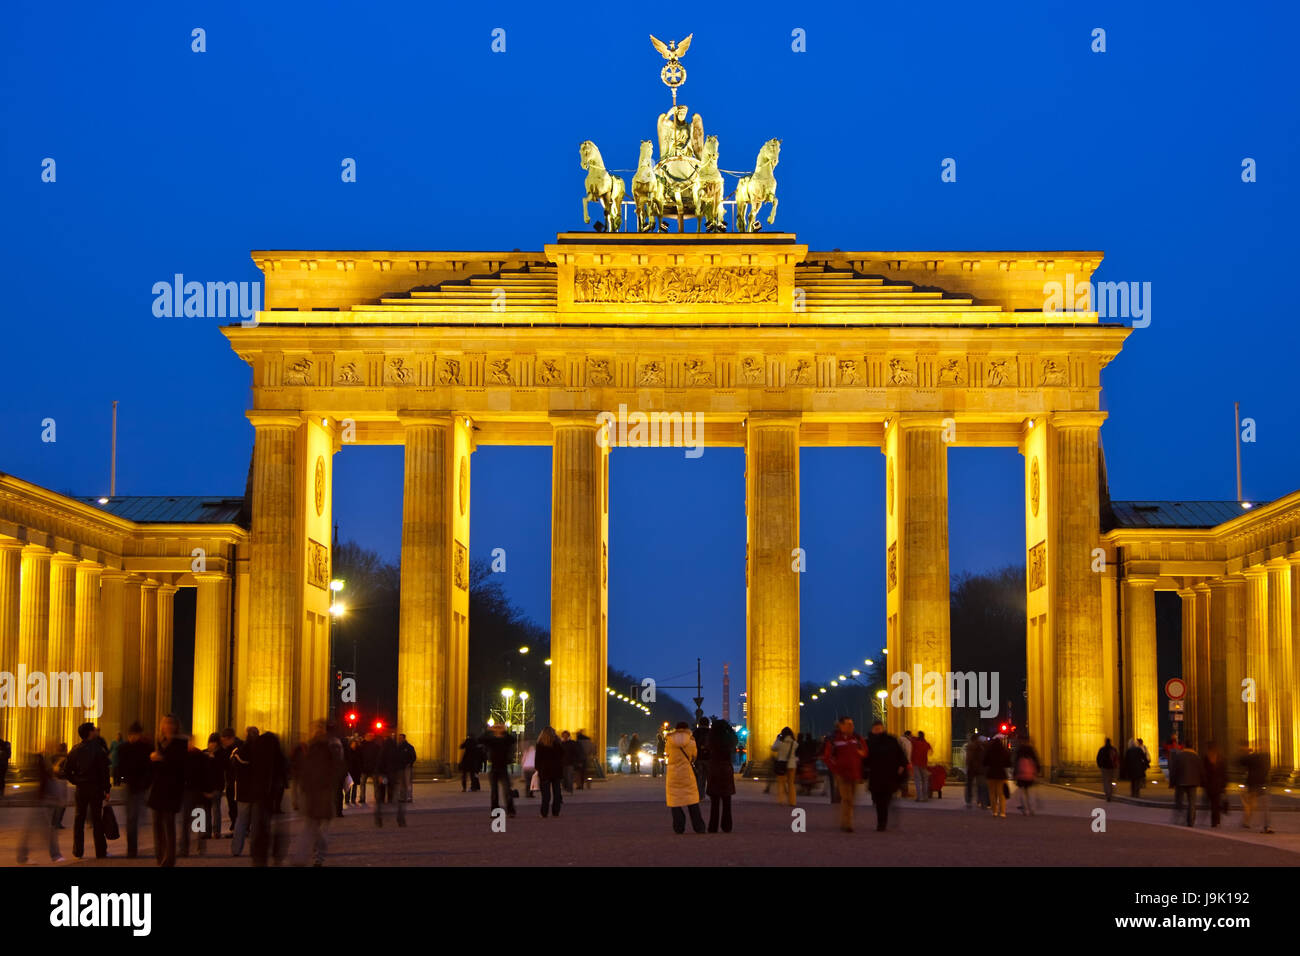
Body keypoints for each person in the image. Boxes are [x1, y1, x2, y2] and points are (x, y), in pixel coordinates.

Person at [293, 720, 344, 866]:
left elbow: (338, 768)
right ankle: (309, 857)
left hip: (324, 793)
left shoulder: (332, 746)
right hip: (312, 792)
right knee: (313, 827)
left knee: (317, 828)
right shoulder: (311, 745)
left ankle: (314, 856)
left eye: (318, 728)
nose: (314, 730)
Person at [65, 722, 111, 859]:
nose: (96, 731)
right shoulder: (99, 749)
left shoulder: (75, 749)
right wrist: (106, 789)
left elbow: (67, 770)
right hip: (95, 789)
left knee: (79, 819)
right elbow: (105, 772)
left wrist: (76, 780)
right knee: (97, 820)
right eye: (94, 730)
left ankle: (78, 850)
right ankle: (100, 851)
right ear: (90, 733)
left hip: (81, 789)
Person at [148, 715, 187, 866]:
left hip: (172, 790)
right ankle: (160, 856)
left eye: (170, 723)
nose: (167, 726)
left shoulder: (180, 744)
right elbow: (154, 770)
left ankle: (169, 859)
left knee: (168, 825)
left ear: (175, 726)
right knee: (157, 825)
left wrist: (160, 760)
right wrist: (153, 760)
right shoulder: (160, 743)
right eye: (164, 723)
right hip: (158, 789)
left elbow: (179, 767)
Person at [17, 750, 64, 864]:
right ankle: (56, 855)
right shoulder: (41, 762)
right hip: (40, 801)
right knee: (48, 830)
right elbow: (45, 781)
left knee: (33, 830)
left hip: (39, 800)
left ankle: (22, 856)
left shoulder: (42, 762)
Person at [823, 717, 867, 832]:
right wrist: (836, 768)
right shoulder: (834, 740)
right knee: (846, 798)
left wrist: (860, 754)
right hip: (841, 774)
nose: (851, 726)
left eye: (852, 724)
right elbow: (827, 757)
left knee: (851, 799)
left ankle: (846, 821)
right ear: (841, 726)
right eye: (848, 724)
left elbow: (865, 751)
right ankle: (847, 824)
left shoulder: (857, 738)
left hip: (854, 772)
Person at [864, 720, 908, 831]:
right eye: (876, 729)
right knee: (878, 801)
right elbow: (865, 759)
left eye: (879, 728)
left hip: (889, 775)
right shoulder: (868, 742)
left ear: (883, 728)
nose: (878, 730)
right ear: (872, 730)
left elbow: (901, 754)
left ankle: (882, 823)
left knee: (885, 800)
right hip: (876, 776)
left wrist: (902, 765)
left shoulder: (891, 740)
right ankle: (881, 821)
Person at [119, 723, 154, 856]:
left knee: (132, 817)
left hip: (133, 785)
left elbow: (120, 767)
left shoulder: (124, 748)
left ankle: (132, 847)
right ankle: (132, 847)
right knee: (134, 817)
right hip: (136, 785)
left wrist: (122, 779)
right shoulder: (146, 748)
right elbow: (149, 768)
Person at [664, 721, 705, 833]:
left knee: (675, 801)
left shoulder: (669, 741)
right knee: (692, 800)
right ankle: (699, 827)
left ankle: (679, 827)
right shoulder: (691, 741)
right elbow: (694, 756)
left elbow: (667, 754)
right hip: (687, 772)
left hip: (673, 774)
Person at [228, 727, 258, 856]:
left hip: (242, 790)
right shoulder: (260, 751)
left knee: (241, 821)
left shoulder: (239, 751)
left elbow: (232, 766)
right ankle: (255, 850)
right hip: (257, 791)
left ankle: (236, 849)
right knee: (256, 822)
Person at [706, 719, 738, 832]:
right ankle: (727, 826)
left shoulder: (711, 738)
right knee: (726, 800)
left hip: (714, 768)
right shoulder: (728, 739)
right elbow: (735, 740)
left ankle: (712, 826)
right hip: (725, 769)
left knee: (714, 802)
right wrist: (730, 730)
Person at [481, 723, 517, 817]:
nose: (498, 729)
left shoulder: (506, 739)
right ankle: (495, 812)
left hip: (503, 768)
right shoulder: (491, 740)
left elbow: (513, 740)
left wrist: (505, 731)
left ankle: (511, 811)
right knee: (494, 792)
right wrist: (489, 730)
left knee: (507, 791)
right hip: (494, 768)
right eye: (496, 728)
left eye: (499, 728)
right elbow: (480, 740)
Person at [1236, 743, 1272, 833]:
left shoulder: (1252, 757)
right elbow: (1267, 770)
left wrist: (1245, 751)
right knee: (1263, 806)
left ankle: (1246, 822)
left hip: (1252, 784)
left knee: (1250, 804)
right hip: (1262, 783)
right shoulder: (1266, 757)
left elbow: (1240, 762)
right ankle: (1266, 826)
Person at [374, 730, 407, 827]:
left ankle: (379, 818)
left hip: (384, 776)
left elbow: (380, 762)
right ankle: (400, 819)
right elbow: (400, 762)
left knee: (380, 797)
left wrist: (379, 774)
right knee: (396, 798)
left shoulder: (383, 749)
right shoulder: (396, 749)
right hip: (393, 776)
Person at [534, 726, 565, 818]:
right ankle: (556, 811)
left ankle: (544, 812)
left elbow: (538, 759)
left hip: (545, 771)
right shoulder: (557, 743)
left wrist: (538, 769)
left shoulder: (540, 744)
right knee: (557, 793)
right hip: (556, 771)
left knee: (545, 794)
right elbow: (562, 755)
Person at [1169, 745, 1201, 827]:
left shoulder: (1179, 756)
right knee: (1192, 803)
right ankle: (1191, 821)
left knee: (1179, 800)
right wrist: (1201, 781)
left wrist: (1172, 782)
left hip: (1181, 782)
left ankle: (1179, 815)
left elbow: (1174, 769)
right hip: (1193, 782)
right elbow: (1200, 769)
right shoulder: (1196, 756)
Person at [216, 729, 240, 835]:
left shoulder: (239, 747)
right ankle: (235, 824)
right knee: (231, 804)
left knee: (236, 805)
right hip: (230, 781)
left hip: (238, 781)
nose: (223, 743)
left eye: (224, 740)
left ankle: (237, 825)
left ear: (230, 738)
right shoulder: (226, 749)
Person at [1202, 740, 1228, 828]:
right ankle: (1216, 820)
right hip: (1214, 784)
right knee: (1215, 803)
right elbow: (1224, 772)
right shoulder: (1220, 758)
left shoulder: (1206, 758)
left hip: (1214, 784)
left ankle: (1215, 821)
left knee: (1214, 803)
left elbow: (1203, 771)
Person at [983, 734, 1011, 818]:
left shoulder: (989, 751)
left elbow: (984, 762)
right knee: (1001, 794)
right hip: (1001, 774)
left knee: (992, 793)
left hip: (991, 774)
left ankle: (994, 811)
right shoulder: (1004, 751)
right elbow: (1008, 763)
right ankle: (1002, 812)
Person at [1012, 737, 1041, 815]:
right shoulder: (1031, 751)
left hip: (1021, 774)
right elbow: (1036, 761)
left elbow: (1015, 763)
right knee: (1030, 792)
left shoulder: (1019, 751)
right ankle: (1032, 809)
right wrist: (1037, 772)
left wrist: (1014, 774)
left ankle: (1025, 809)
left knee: (1022, 792)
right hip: (1030, 774)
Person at [771, 727, 797, 807]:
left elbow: (773, 748)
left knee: (781, 783)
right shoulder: (794, 743)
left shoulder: (780, 742)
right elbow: (796, 748)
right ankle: (792, 801)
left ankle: (781, 800)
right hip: (792, 764)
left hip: (782, 764)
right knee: (791, 784)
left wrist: (777, 739)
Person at [964, 732, 986, 809]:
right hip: (980, 769)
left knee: (970, 785)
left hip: (971, 768)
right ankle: (980, 801)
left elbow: (968, 758)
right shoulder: (981, 747)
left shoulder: (970, 746)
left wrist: (967, 765)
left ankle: (969, 801)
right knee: (981, 786)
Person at [910, 730, 932, 801]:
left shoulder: (915, 742)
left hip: (916, 763)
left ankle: (919, 797)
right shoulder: (926, 744)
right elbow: (930, 751)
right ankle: (925, 796)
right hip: (924, 764)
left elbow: (910, 738)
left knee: (917, 781)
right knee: (925, 780)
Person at [692, 717, 711, 798]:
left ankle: (700, 794)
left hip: (698, 757)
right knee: (709, 777)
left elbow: (692, 745)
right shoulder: (711, 732)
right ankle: (711, 793)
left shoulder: (696, 732)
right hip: (709, 758)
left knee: (699, 777)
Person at [1096, 737, 1119, 802]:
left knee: (1106, 782)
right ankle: (1111, 794)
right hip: (1112, 768)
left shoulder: (1102, 749)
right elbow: (1117, 758)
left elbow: (1098, 758)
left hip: (1104, 768)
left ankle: (1107, 795)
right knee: (1112, 781)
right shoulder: (1113, 749)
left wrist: (1100, 766)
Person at [397, 733, 416, 803]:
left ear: (404, 738)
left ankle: (408, 797)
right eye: (399, 738)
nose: (399, 739)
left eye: (401, 738)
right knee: (401, 783)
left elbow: (413, 757)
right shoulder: (398, 747)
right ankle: (402, 797)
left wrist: (410, 763)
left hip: (407, 767)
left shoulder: (409, 747)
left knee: (408, 783)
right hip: (400, 767)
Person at [346, 736, 363, 803]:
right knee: (349, 785)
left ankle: (353, 799)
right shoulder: (348, 751)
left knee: (355, 786)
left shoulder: (358, 751)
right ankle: (347, 799)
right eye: (353, 743)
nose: (354, 745)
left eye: (355, 743)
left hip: (356, 771)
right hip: (349, 771)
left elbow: (360, 760)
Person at [899, 730, 913, 798]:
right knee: (905, 777)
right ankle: (905, 793)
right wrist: (909, 762)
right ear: (909, 735)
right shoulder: (906, 741)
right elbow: (908, 752)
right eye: (911, 735)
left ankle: (904, 792)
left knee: (903, 777)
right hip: (905, 762)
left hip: (900, 761)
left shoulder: (900, 739)